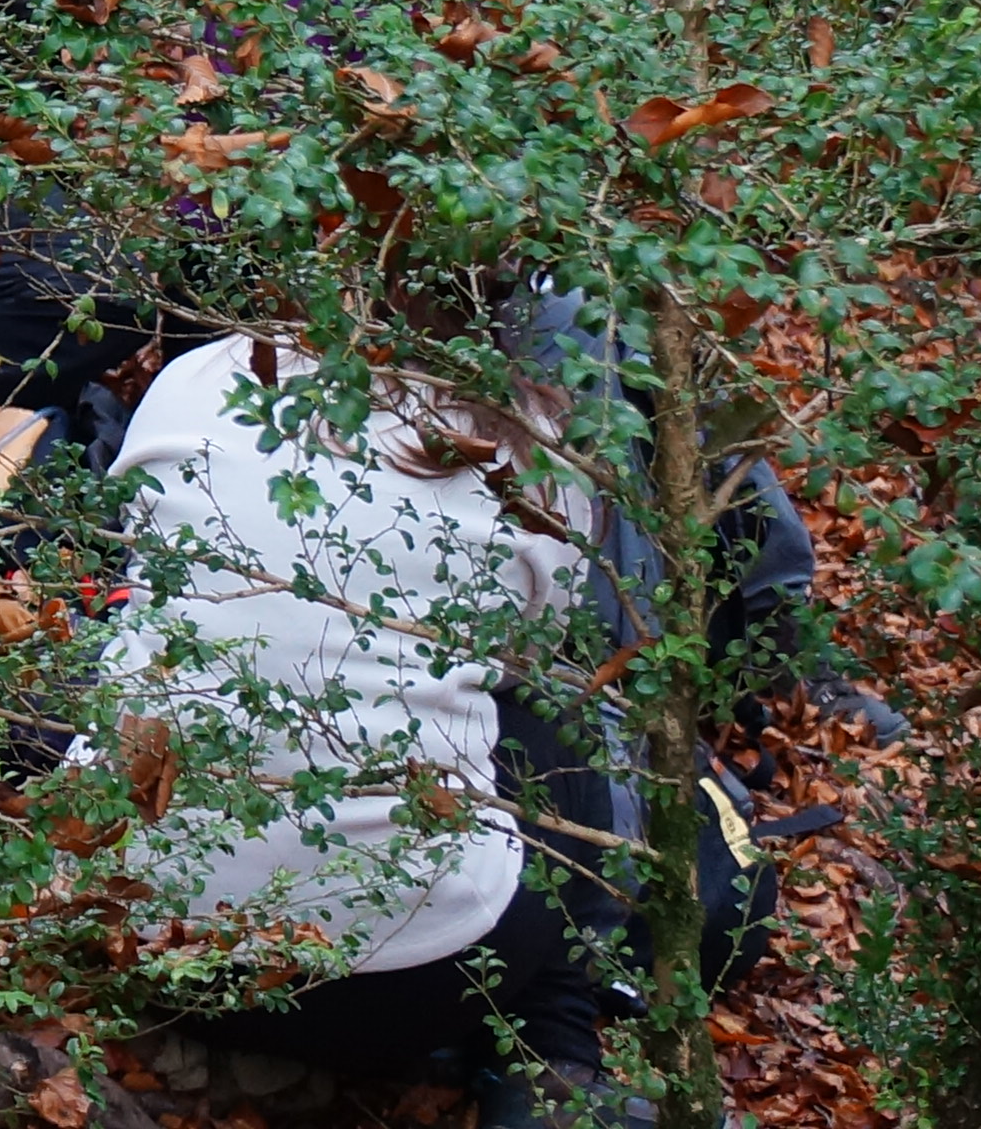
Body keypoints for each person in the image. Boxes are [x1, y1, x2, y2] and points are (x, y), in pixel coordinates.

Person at [93, 338, 652, 1129]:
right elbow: (520, 660)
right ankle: (549, 1060)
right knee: (558, 723)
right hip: (412, 991)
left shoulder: (195, 377)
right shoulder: (531, 451)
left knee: (135, 655)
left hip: (144, 946)